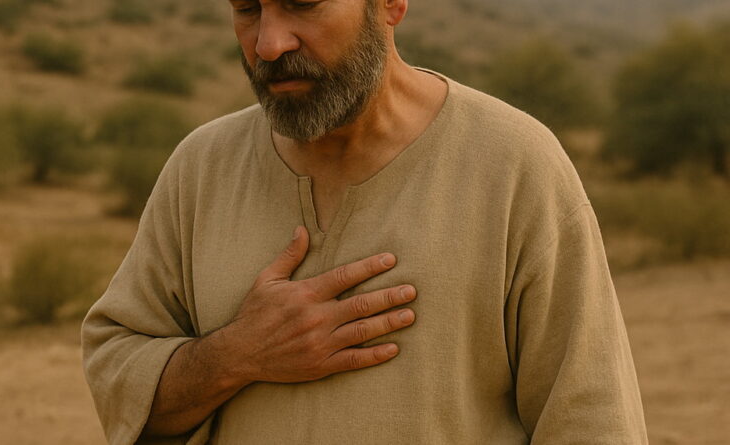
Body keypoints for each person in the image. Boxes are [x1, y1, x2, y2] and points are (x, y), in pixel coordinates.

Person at [81, 0, 649, 443]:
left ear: (390, 6)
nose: (269, 43)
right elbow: (118, 372)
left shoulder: (515, 164)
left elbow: (590, 421)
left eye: (303, 4)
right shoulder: (200, 168)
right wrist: (237, 354)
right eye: (247, 9)